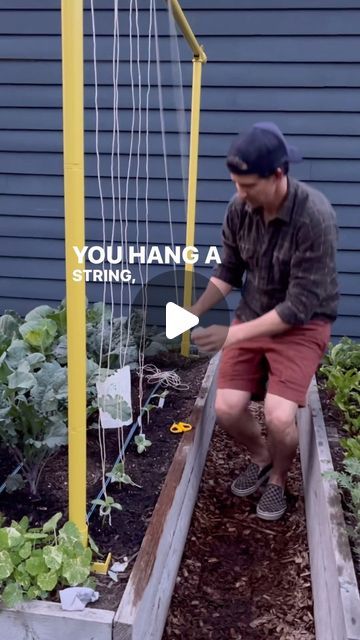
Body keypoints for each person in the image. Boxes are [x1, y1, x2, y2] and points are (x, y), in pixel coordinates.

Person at [191, 121, 339, 521]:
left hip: (303, 323)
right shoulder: (240, 209)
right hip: (255, 312)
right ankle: (260, 458)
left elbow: (297, 307)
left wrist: (231, 333)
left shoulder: (315, 217)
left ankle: (278, 478)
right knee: (226, 407)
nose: (239, 193)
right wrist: (195, 310)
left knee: (278, 414)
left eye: (247, 185)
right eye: (235, 183)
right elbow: (229, 270)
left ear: (278, 175)